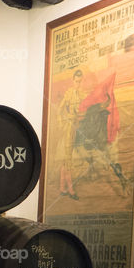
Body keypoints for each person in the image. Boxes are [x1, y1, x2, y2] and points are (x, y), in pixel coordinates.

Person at [57, 69, 86, 200]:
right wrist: (61, 121)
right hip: (68, 127)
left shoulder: (81, 94)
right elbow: (59, 110)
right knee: (68, 159)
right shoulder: (69, 94)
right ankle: (71, 190)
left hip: (75, 127)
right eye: (76, 81)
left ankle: (62, 188)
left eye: (80, 82)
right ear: (73, 80)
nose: (78, 84)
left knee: (65, 160)